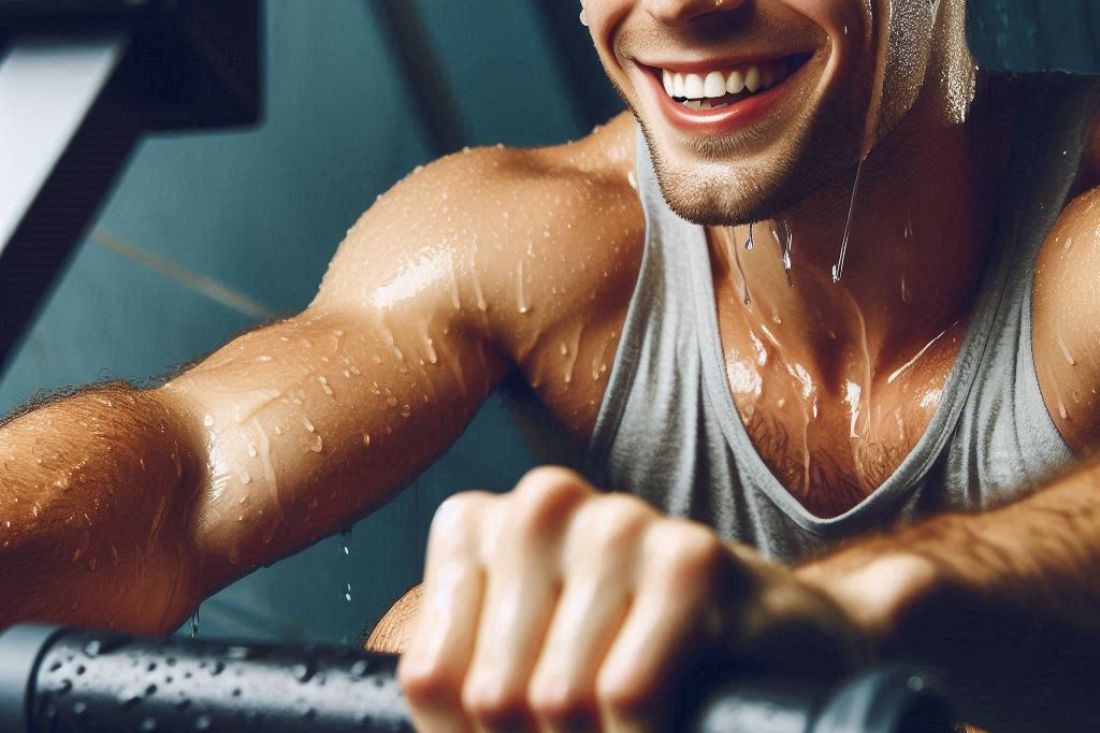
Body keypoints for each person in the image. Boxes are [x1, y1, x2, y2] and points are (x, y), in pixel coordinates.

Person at [1, 0, 1099, 729]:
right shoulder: (538, 234)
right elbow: (185, 466)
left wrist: (848, 610)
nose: (678, 6)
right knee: (430, 638)